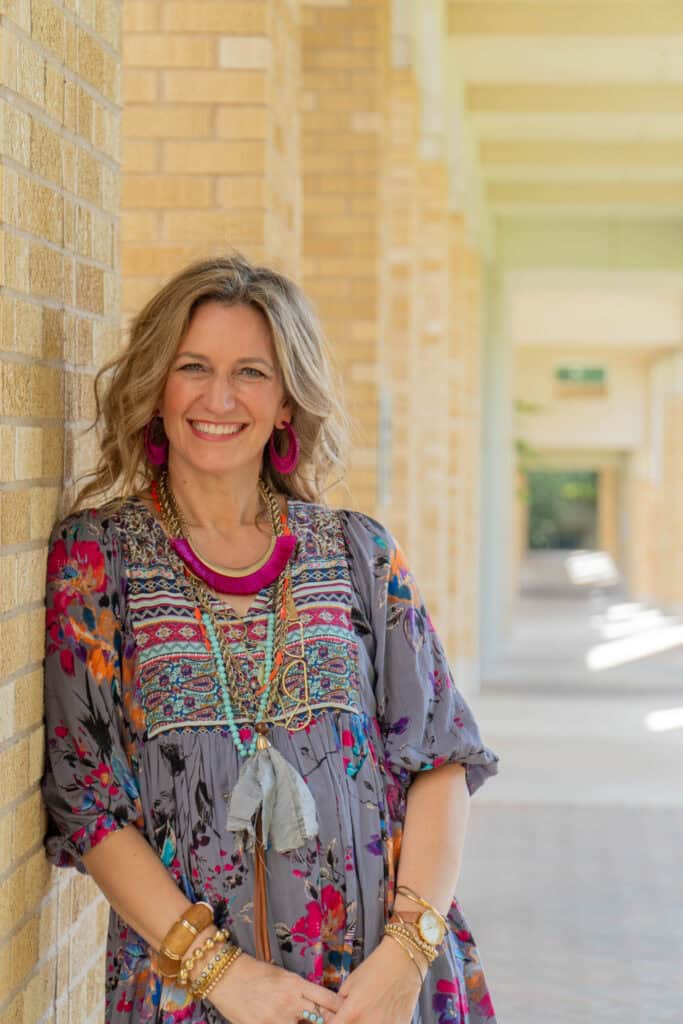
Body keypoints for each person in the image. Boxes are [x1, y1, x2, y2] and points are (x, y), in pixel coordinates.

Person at [42, 253, 500, 1024]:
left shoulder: (357, 552)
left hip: (380, 991)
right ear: (157, 387)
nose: (218, 398)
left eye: (250, 373)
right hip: (193, 995)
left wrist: (406, 954)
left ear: (286, 402)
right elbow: (88, 802)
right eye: (193, 366)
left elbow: (439, 759)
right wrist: (223, 976)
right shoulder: (97, 559)